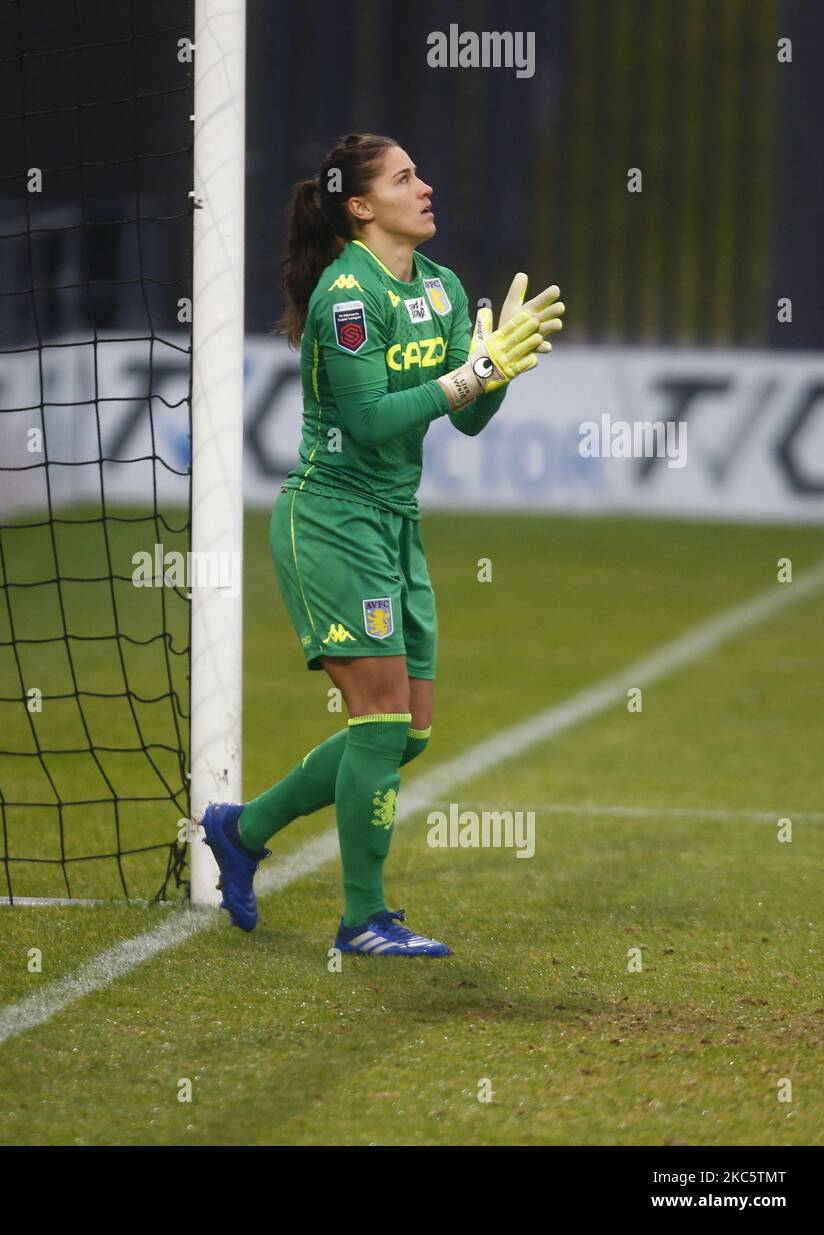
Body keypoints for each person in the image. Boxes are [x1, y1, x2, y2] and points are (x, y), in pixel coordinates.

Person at [201, 132, 564, 957]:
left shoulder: (439, 288)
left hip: (395, 523)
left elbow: (466, 418)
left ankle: (241, 827)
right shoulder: (348, 298)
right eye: (405, 178)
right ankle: (365, 917)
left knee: (409, 732)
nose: (426, 186)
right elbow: (365, 425)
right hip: (331, 518)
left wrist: (496, 372)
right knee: (380, 718)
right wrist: (470, 376)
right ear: (361, 206)